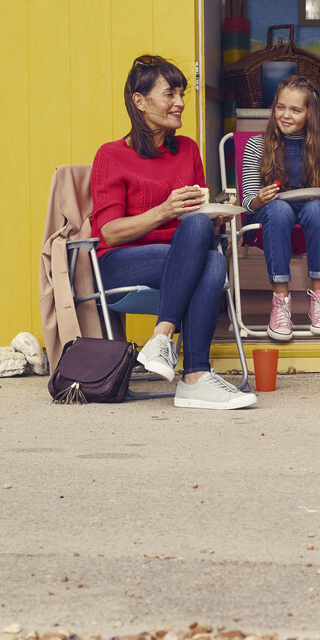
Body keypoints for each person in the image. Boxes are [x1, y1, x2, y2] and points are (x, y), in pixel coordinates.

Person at [90, 54, 253, 411]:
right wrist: (166, 210)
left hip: (180, 262)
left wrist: (216, 217)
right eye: (169, 94)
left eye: (181, 94)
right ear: (139, 100)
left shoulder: (188, 150)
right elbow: (111, 233)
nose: (179, 103)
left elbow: (198, 221)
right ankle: (191, 372)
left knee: (209, 254)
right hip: (119, 264)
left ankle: (171, 349)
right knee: (205, 253)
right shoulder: (112, 155)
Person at [239, 76, 320, 341]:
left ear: (310, 115)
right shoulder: (256, 145)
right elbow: (247, 202)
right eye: (280, 107)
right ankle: (280, 302)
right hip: (270, 220)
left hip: (312, 221)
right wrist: (261, 198)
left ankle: (319, 305)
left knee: (318, 210)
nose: (285, 115)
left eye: (295, 110)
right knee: (279, 209)